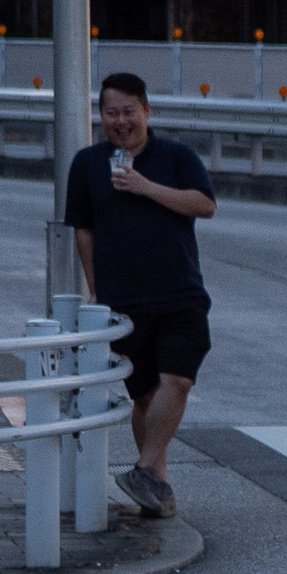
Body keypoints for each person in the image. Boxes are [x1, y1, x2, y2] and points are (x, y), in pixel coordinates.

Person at [64, 72, 217, 519]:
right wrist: (95, 287)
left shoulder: (175, 157)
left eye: (129, 111)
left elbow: (205, 205)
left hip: (180, 292)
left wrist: (146, 186)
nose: (121, 121)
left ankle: (145, 468)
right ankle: (158, 488)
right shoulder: (87, 164)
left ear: (147, 111)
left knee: (179, 381)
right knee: (146, 396)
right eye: (111, 113)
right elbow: (84, 230)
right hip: (125, 300)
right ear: (101, 117)